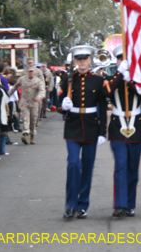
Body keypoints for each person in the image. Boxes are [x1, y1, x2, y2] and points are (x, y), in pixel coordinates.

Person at [60, 45, 108, 219]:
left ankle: (82, 204)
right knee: (73, 164)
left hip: (91, 127)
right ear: (75, 60)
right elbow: (60, 102)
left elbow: (102, 107)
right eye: (79, 58)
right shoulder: (68, 79)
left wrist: (103, 131)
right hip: (72, 127)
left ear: (90, 59)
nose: (82, 61)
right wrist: (62, 106)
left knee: (87, 167)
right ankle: (70, 204)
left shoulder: (98, 80)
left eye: (85, 58)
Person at [105, 45, 141, 218]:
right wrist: (120, 75)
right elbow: (105, 92)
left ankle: (130, 204)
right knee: (120, 166)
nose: (124, 62)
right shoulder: (110, 78)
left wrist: (133, 80)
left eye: (127, 59)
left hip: (135, 126)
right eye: (121, 58)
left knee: (132, 168)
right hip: (117, 126)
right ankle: (119, 204)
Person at [8, 66, 45, 145]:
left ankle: (32, 136)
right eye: (30, 71)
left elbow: (42, 90)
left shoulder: (38, 81)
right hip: (25, 102)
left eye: (32, 71)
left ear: (34, 72)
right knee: (25, 118)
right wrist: (8, 95)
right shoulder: (22, 79)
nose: (31, 72)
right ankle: (25, 134)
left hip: (34, 103)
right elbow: (15, 87)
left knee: (33, 120)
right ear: (28, 71)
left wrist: (39, 96)